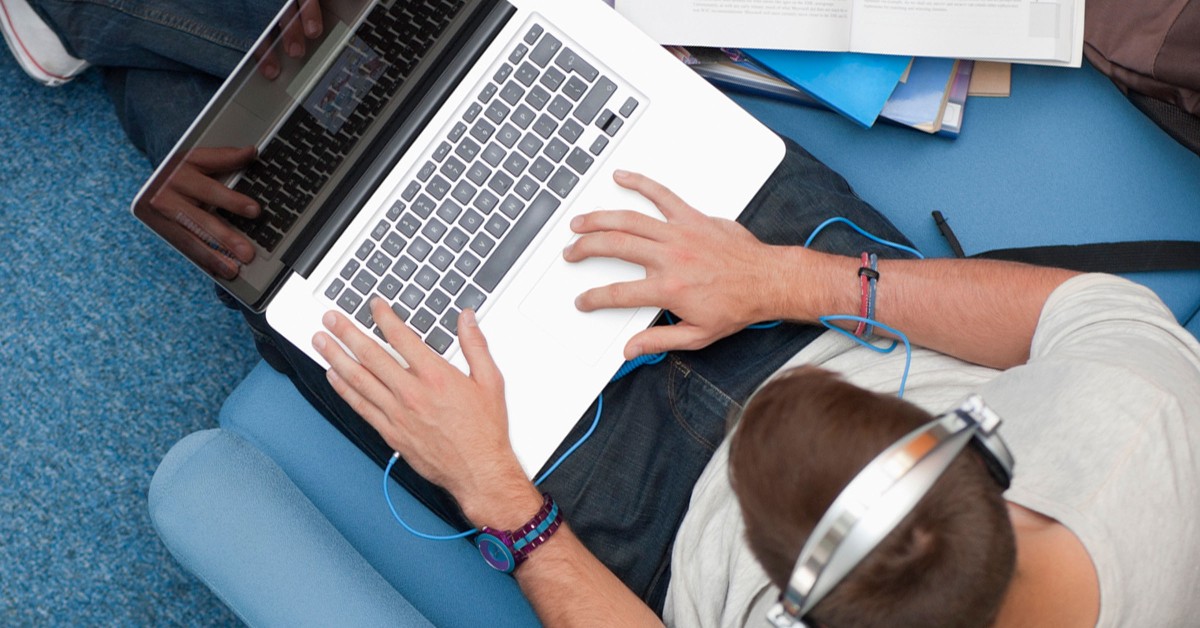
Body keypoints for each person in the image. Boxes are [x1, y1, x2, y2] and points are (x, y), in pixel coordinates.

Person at [11, 2, 1200, 625]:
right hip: (815, 296)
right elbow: (1073, 316)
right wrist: (790, 285)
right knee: (471, 39)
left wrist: (502, 501)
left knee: (218, 165)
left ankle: (106, 31)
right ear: (973, 453)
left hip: (621, 505)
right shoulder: (1146, 433)